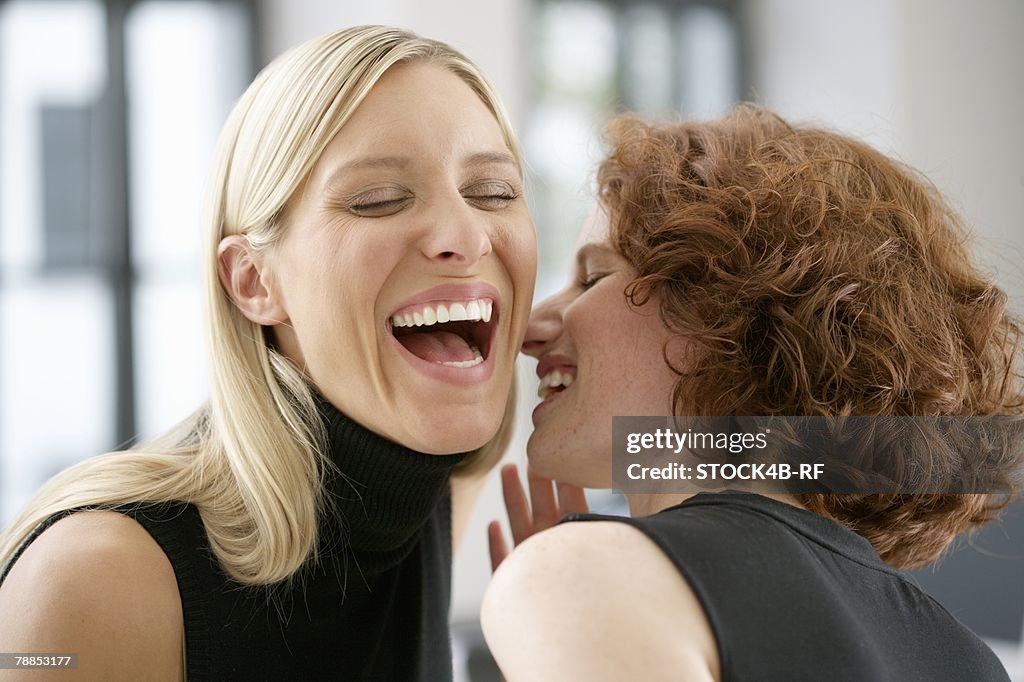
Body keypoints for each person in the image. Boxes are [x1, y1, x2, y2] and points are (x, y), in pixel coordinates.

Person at [0, 26, 535, 680]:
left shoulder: (433, 486)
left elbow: (680, 443)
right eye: (379, 200)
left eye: (493, 192)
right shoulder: (90, 579)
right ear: (254, 281)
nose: (466, 234)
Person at [483, 106, 1022, 681]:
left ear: (721, 307)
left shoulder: (582, 578)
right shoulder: (968, 658)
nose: (533, 325)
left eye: (593, 278)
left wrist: (577, 591)